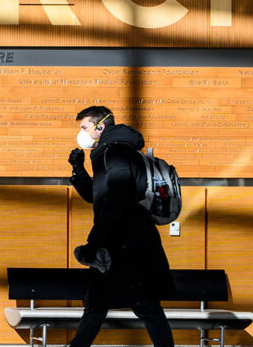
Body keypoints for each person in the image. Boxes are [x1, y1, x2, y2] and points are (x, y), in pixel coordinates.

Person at [67, 106, 175, 347]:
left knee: (108, 304)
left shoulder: (112, 152)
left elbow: (112, 201)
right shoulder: (116, 151)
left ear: (100, 126)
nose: (82, 133)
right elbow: (98, 195)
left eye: (84, 127)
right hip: (131, 240)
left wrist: (95, 243)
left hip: (122, 242)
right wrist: (78, 170)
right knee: (132, 305)